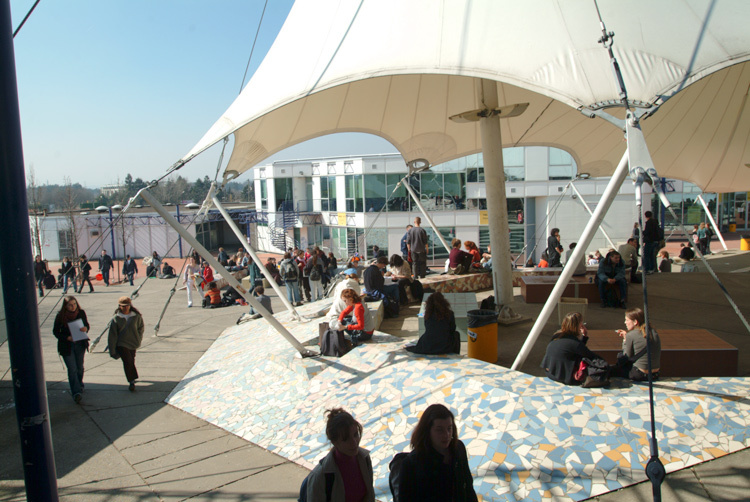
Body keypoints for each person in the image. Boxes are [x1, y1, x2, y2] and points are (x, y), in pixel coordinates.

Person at [398, 404, 477, 502]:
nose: (446, 435)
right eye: (439, 430)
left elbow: (468, 487)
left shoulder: (458, 449)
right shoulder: (411, 465)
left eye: (449, 428)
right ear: (427, 431)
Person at [305, 408, 375, 501]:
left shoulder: (364, 458)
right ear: (334, 442)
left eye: (355, 435)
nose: (354, 443)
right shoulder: (320, 477)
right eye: (346, 439)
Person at [540, 312, 604, 385]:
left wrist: (584, 337)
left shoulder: (557, 336)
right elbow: (590, 355)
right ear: (578, 326)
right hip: (563, 377)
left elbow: (576, 350)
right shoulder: (574, 343)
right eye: (582, 323)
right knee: (585, 361)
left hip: (550, 372)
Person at [53, 296, 90, 403]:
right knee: (72, 368)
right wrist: (67, 338)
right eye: (70, 305)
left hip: (80, 344)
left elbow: (87, 325)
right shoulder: (60, 316)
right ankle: (76, 392)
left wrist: (86, 328)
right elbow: (55, 331)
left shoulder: (81, 313)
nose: (73, 306)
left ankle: (80, 383)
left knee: (80, 367)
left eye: (74, 304)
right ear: (65, 306)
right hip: (67, 346)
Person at [107, 296, 144, 392]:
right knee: (127, 361)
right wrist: (112, 350)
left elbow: (141, 327)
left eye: (127, 305)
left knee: (131, 360)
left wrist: (139, 338)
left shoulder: (136, 316)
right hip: (122, 344)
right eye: (123, 306)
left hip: (133, 342)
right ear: (119, 306)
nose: (125, 308)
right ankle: (131, 381)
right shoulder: (116, 318)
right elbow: (112, 335)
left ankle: (133, 376)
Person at [615, 307, 661, 381]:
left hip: (640, 374)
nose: (625, 322)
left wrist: (625, 340)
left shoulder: (631, 335)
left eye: (627, 320)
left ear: (635, 322)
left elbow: (626, 356)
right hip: (655, 374)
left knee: (617, 364)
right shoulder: (653, 332)